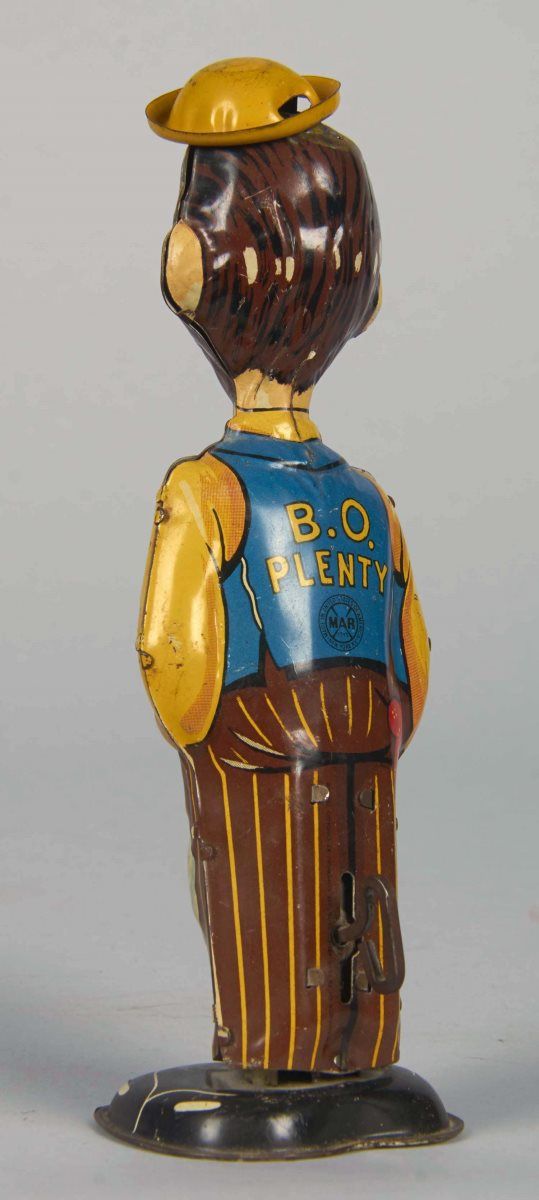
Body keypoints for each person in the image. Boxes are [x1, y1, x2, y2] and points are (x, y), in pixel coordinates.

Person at [137, 58, 430, 1073]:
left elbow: (173, 657)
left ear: (187, 268)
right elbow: (411, 655)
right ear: (367, 298)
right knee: (360, 902)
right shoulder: (365, 495)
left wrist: (202, 737)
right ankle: (357, 1058)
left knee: (256, 907)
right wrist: (376, 730)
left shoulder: (208, 488)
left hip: (252, 748)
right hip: (363, 743)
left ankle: (267, 1061)